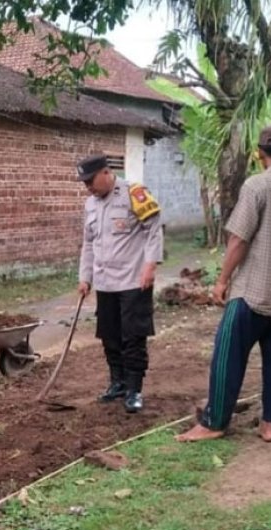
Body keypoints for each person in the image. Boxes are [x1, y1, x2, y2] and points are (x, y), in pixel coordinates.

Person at [176, 125, 271, 444]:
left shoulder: (257, 185)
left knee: (227, 355)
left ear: (259, 154)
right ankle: (269, 424)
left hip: (252, 293)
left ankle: (214, 421)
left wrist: (222, 281)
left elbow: (239, 239)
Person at [76, 154, 164, 413]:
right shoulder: (90, 204)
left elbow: (154, 230)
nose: (88, 188)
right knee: (110, 336)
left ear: (106, 173)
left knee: (133, 337)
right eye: (84, 184)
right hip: (105, 283)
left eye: (90, 181)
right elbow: (88, 243)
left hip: (133, 281)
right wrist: (85, 277)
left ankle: (134, 389)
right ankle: (118, 383)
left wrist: (150, 266)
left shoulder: (134, 193)